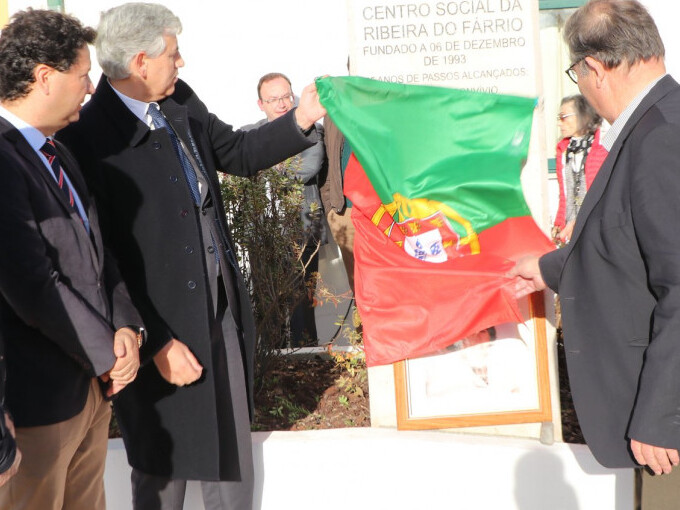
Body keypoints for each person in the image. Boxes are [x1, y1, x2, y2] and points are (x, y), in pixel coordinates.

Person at [57, 3, 326, 509]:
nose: (182, 64)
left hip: (219, 312)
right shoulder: (88, 139)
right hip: (157, 330)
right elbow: (102, 259)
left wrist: (302, 118)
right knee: (165, 467)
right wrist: (155, 342)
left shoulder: (179, 100)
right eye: (173, 55)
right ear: (141, 61)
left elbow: (238, 154)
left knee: (230, 459)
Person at [509, 0, 680, 480]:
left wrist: (665, 416)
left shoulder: (661, 137)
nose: (580, 86)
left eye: (575, 74)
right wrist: (546, 265)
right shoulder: (656, 122)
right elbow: (625, 249)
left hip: (667, 437)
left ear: (594, 69)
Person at [0, 9, 143, 510]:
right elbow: (32, 284)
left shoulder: (58, 153)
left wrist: (126, 327)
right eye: (83, 76)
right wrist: (108, 354)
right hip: (39, 403)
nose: (89, 88)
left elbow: (100, 260)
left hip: (90, 393)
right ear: (45, 77)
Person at [242, 72, 327, 346]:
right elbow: (236, 167)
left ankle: (306, 357)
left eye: (286, 97)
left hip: (303, 233)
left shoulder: (312, 132)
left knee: (303, 302)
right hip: (262, 234)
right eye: (274, 99)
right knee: (267, 304)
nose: (281, 104)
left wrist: (262, 163)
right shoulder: (247, 135)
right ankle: (272, 359)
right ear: (261, 104)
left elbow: (307, 169)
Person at [552, 94, 607, 244]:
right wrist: (558, 223)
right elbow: (564, 194)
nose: (559, 123)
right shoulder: (563, 151)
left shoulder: (602, 147)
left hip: (595, 228)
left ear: (582, 115)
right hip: (570, 231)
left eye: (564, 117)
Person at [319, 114, 356, 292]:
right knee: (358, 281)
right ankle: (363, 319)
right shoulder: (334, 112)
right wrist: (330, 208)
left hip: (387, 209)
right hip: (345, 211)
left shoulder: (384, 102)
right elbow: (327, 156)